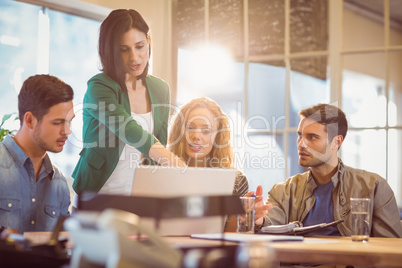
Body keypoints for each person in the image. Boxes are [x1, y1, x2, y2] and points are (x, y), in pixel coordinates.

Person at [72, 9, 185, 198]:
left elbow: (159, 141)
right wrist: (173, 161)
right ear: (110, 51)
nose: (134, 57)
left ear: (148, 41)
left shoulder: (160, 89)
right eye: (124, 50)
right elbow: (128, 129)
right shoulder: (99, 87)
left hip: (138, 198)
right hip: (96, 196)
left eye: (139, 46)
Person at [257, 103, 402, 237]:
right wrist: (258, 220)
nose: (301, 144)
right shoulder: (283, 191)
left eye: (312, 137)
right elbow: (269, 225)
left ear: (336, 142)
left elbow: (389, 251)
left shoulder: (374, 187)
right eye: (300, 135)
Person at [0, 74, 74, 233]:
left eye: (69, 121)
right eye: (58, 122)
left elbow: (61, 243)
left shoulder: (59, 182)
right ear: (30, 120)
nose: (67, 131)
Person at [168, 97, 252, 231]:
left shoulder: (236, 181)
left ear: (218, 137)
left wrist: (240, 216)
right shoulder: (162, 172)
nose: (196, 135)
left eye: (206, 130)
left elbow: (232, 238)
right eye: (190, 127)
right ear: (179, 131)